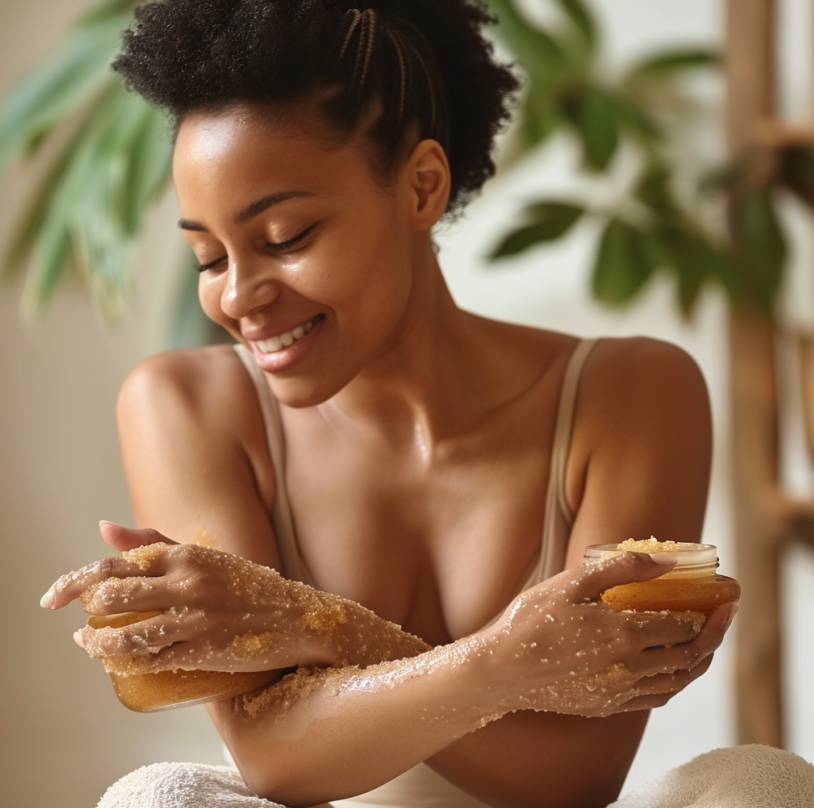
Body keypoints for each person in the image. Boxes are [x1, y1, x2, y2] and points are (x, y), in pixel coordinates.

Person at [39, 1, 733, 806]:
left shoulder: (629, 394)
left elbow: (578, 775)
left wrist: (302, 622)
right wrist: (510, 659)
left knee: (757, 782)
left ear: (422, 187)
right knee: (158, 798)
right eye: (207, 255)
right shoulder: (185, 405)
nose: (237, 296)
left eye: (287, 237)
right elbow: (274, 756)